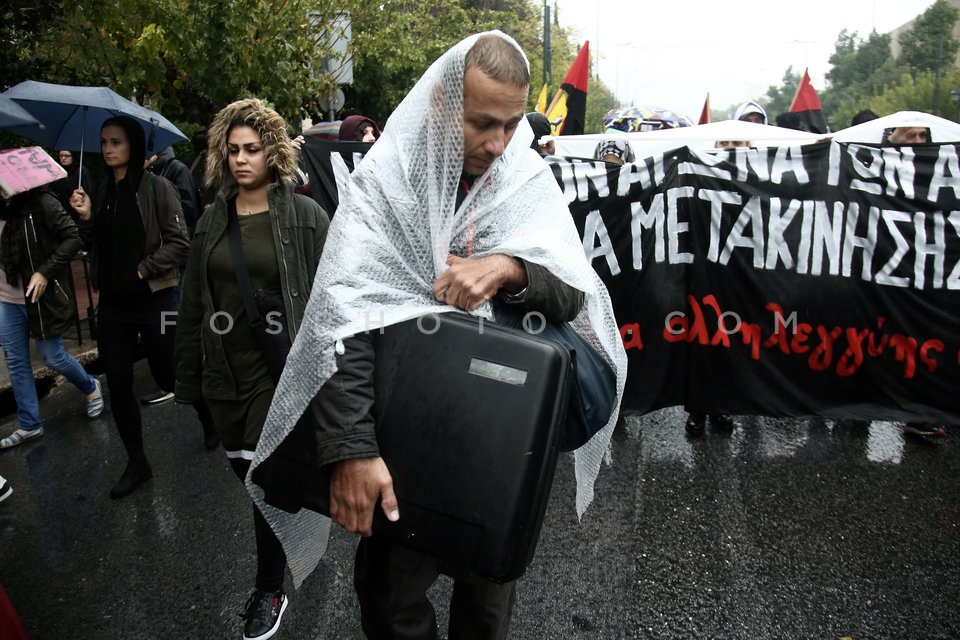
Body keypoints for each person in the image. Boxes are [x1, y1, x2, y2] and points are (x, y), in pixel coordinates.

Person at [248, 30, 626, 639]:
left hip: (501, 438)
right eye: (482, 123)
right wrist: (351, 449)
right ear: (443, 102)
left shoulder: (523, 178)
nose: (498, 143)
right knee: (390, 601)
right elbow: (344, 314)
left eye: (510, 124)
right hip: (407, 428)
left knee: (488, 601)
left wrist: (509, 269)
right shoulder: (389, 180)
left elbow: (571, 291)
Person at [174, 98, 330, 640]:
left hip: (280, 372)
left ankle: (270, 588)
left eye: (253, 149)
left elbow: (330, 297)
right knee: (252, 479)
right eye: (233, 150)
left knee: (264, 482)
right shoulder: (212, 220)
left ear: (273, 152)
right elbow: (194, 300)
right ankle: (299, 522)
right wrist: (187, 379)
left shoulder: (305, 216)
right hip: (226, 375)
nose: (242, 159)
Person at [69, 116, 192, 498]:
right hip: (114, 306)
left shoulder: (159, 188)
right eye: (104, 142)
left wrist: (143, 270)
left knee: (168, 373)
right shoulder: (101, 191)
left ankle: (206, 412)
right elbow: (99, 243)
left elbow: (179, 243)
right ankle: (137, 462)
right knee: (118, 381)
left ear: (133, 146)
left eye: (116, 142)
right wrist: (87, 217)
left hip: (154, 298)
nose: (107, 149)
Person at [0, 185, 104, 450]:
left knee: (51, 355)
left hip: (39, 295)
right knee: (16, 360)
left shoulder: (40, 202)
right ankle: (29, 424)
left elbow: (72, 237)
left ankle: (90, 385)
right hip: (6, 298)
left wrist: (45, 272)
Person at [49, 150, 93, 216]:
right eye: (61, 155)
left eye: (67, 156)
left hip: (77, 211)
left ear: (73, 156)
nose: (63, 158)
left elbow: (89, 192)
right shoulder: (57, 170)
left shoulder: (82, 171)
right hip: (60, 210)